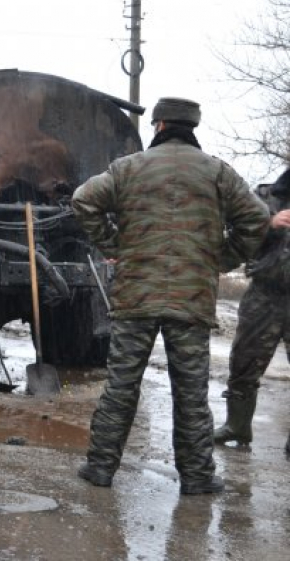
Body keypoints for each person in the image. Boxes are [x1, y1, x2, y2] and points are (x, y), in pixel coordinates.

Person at [71, 97, 270, 495]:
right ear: (191, 127)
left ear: (158, 126)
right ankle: (196, 478)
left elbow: (84, 199)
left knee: (122, 385)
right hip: (191, 300)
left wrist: (116, 244)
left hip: (135, 297)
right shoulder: (217, 173)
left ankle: (100, 468)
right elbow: (258, 218)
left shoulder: (129, 168)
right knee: (191, 391)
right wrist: (220, 258)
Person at [214, 167, 290, 456]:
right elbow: (239, 233)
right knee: (244, 361)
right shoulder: (265, 196)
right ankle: (237, 425)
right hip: (264, 294)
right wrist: (270, 224)